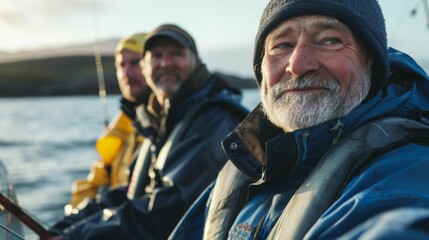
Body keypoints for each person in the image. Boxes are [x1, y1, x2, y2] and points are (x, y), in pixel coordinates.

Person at [169, 0, 429, 239]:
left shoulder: (403, 177)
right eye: (282, 45)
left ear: (372, 64)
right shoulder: (245, 163)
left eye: (329, 41)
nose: (298, 64)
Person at [51, 23, 248, 240]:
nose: (165, 63)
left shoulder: (216, 119)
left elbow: (170, 207)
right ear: (146, 68)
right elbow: (131, 191)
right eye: (156, 56)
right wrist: (66, 226)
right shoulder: (158, 123)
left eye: (176, 54)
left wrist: (77, 236)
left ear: (197, 63)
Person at [65, 33, 149, 214]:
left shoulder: (167, 125)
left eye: (135, 63)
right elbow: (95, 181)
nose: (126, 73)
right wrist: (72, 221)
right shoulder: (121, 127)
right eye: (121, 65)